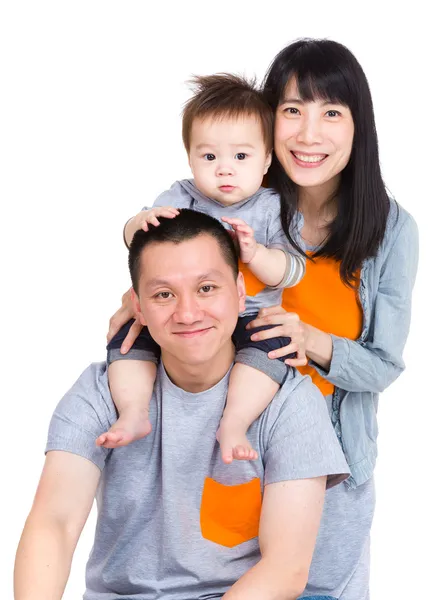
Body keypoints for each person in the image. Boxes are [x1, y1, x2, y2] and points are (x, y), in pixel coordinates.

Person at [107, 39, 419, 599]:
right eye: (292, 110)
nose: (308, 132)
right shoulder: (233, 193)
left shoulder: (391, 230)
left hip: (330, 472)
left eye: (331, 113)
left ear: (358, 126)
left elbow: (383, 366)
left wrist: (313, 341)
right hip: (231, 453)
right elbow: (170, 286)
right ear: (266, 122)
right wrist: (135, 304)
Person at [14, 209, 349, 600]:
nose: (188, 313)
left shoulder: (290, 401)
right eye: (163, 295)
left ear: (240, 293)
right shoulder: (101, 390)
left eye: (207, 288)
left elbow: (286, 569)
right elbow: (55, 522)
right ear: (137, 306)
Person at [98, 74, 306, 464]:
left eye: (240, 157)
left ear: (266, 160)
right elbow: (136, 240)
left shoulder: (273, 207)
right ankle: (133, 411)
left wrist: (256, 253)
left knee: (271, 349)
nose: (224, 170)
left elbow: (291, 271)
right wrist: (140, 222)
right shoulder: (182, 195)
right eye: (209, 157)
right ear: (191, 158)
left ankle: (235, 421)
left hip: (251, 314)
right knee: (129, 337)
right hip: (187, 314)